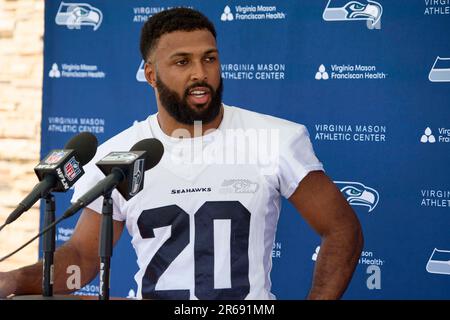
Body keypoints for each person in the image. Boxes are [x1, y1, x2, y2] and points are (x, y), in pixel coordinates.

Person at [0, 8, 363, 300]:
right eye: (181, 62)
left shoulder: (275, 138)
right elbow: (81, 258)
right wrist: (13, 280)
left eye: (209, 59)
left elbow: (341, 229)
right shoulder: (117, 155)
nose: (200, 74)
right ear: (150, 74)